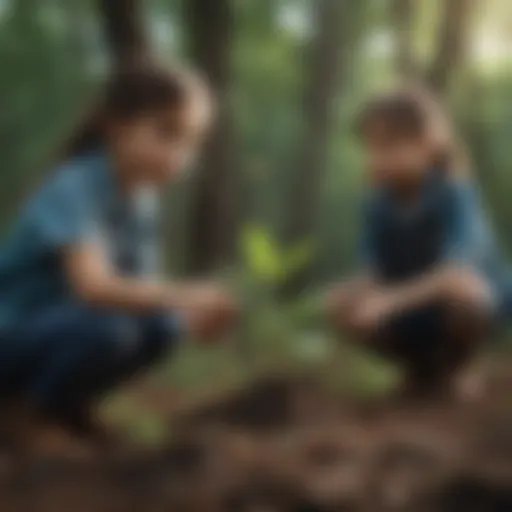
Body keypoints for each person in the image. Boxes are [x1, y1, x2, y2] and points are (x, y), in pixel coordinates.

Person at [0, 59, 237, 456]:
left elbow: (143, 298)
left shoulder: (140, 201)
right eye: (166, 133)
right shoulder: (74, 184)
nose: (180, 154)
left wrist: (197, 319)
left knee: (161, 328)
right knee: (112, 332)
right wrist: (186, 294)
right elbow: (94, 288)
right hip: (15, 335)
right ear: (115, 125)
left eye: (191, 142)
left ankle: (66, 410)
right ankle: (21, 415)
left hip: (62, 330)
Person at [326, 86, 510, 399]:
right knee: (340, 302)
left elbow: (456, 273)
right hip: (413, 309)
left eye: (390, 145)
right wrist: (355, 294)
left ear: (428, 144)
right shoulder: (378, 204)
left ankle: (457, 368)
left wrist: (390, 302)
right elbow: (370, 268)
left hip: (463, 304)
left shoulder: (453, 193)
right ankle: (420, 371)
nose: (378, 157)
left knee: (466, 292)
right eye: (371, 147)